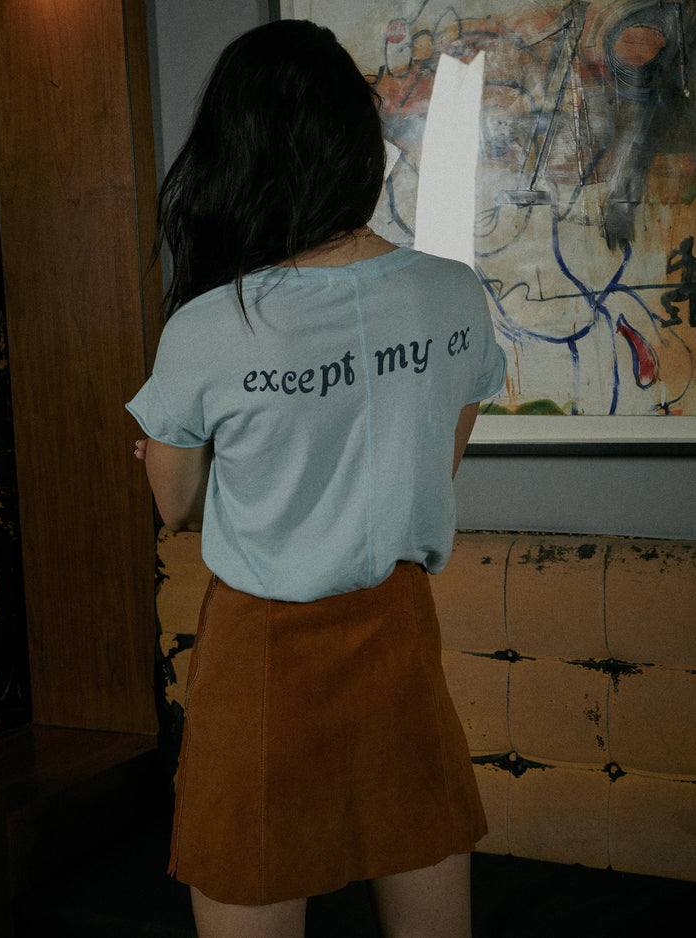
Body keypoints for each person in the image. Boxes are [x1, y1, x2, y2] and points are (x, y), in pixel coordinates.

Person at [127, 19, 506, 938]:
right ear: (356, 148)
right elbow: (436, 461)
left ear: (234, 156)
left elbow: (175, 507)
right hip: (398, 634)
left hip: (264, 656)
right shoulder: (452, 294)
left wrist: (207, 467)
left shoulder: (209, 328)